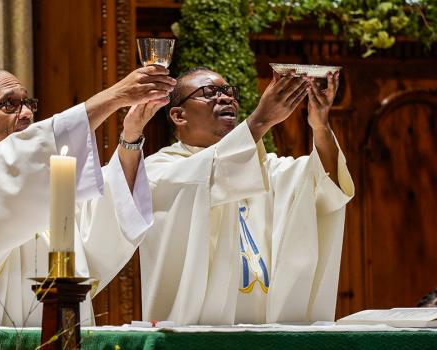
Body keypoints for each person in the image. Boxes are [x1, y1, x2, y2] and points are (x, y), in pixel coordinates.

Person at [0, 66, 175, 335]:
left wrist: (131, 135)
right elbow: (17, 161)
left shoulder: (48, 183)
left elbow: (105, 224)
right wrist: (115, 96)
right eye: (10, 104)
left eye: (28, 103)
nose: (26, 113)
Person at [139, 67, 355, 325]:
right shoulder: (158, 171)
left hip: (263, 330)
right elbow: (204, 176)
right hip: (194, 334)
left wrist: (320, 126)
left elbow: (326, 187)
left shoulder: (265, 168)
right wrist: (261, 120)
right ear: (178, 115)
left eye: (228, 92)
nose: (225, 98)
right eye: (210, 92)